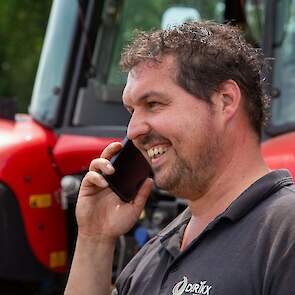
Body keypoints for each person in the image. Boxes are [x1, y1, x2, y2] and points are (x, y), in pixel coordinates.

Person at [64, 21, 295, 295]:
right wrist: (95, 238)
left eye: (154, 104)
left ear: (225, 100)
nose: (133, 130)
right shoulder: (153, 256)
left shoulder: (285, 233)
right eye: (131, 110)